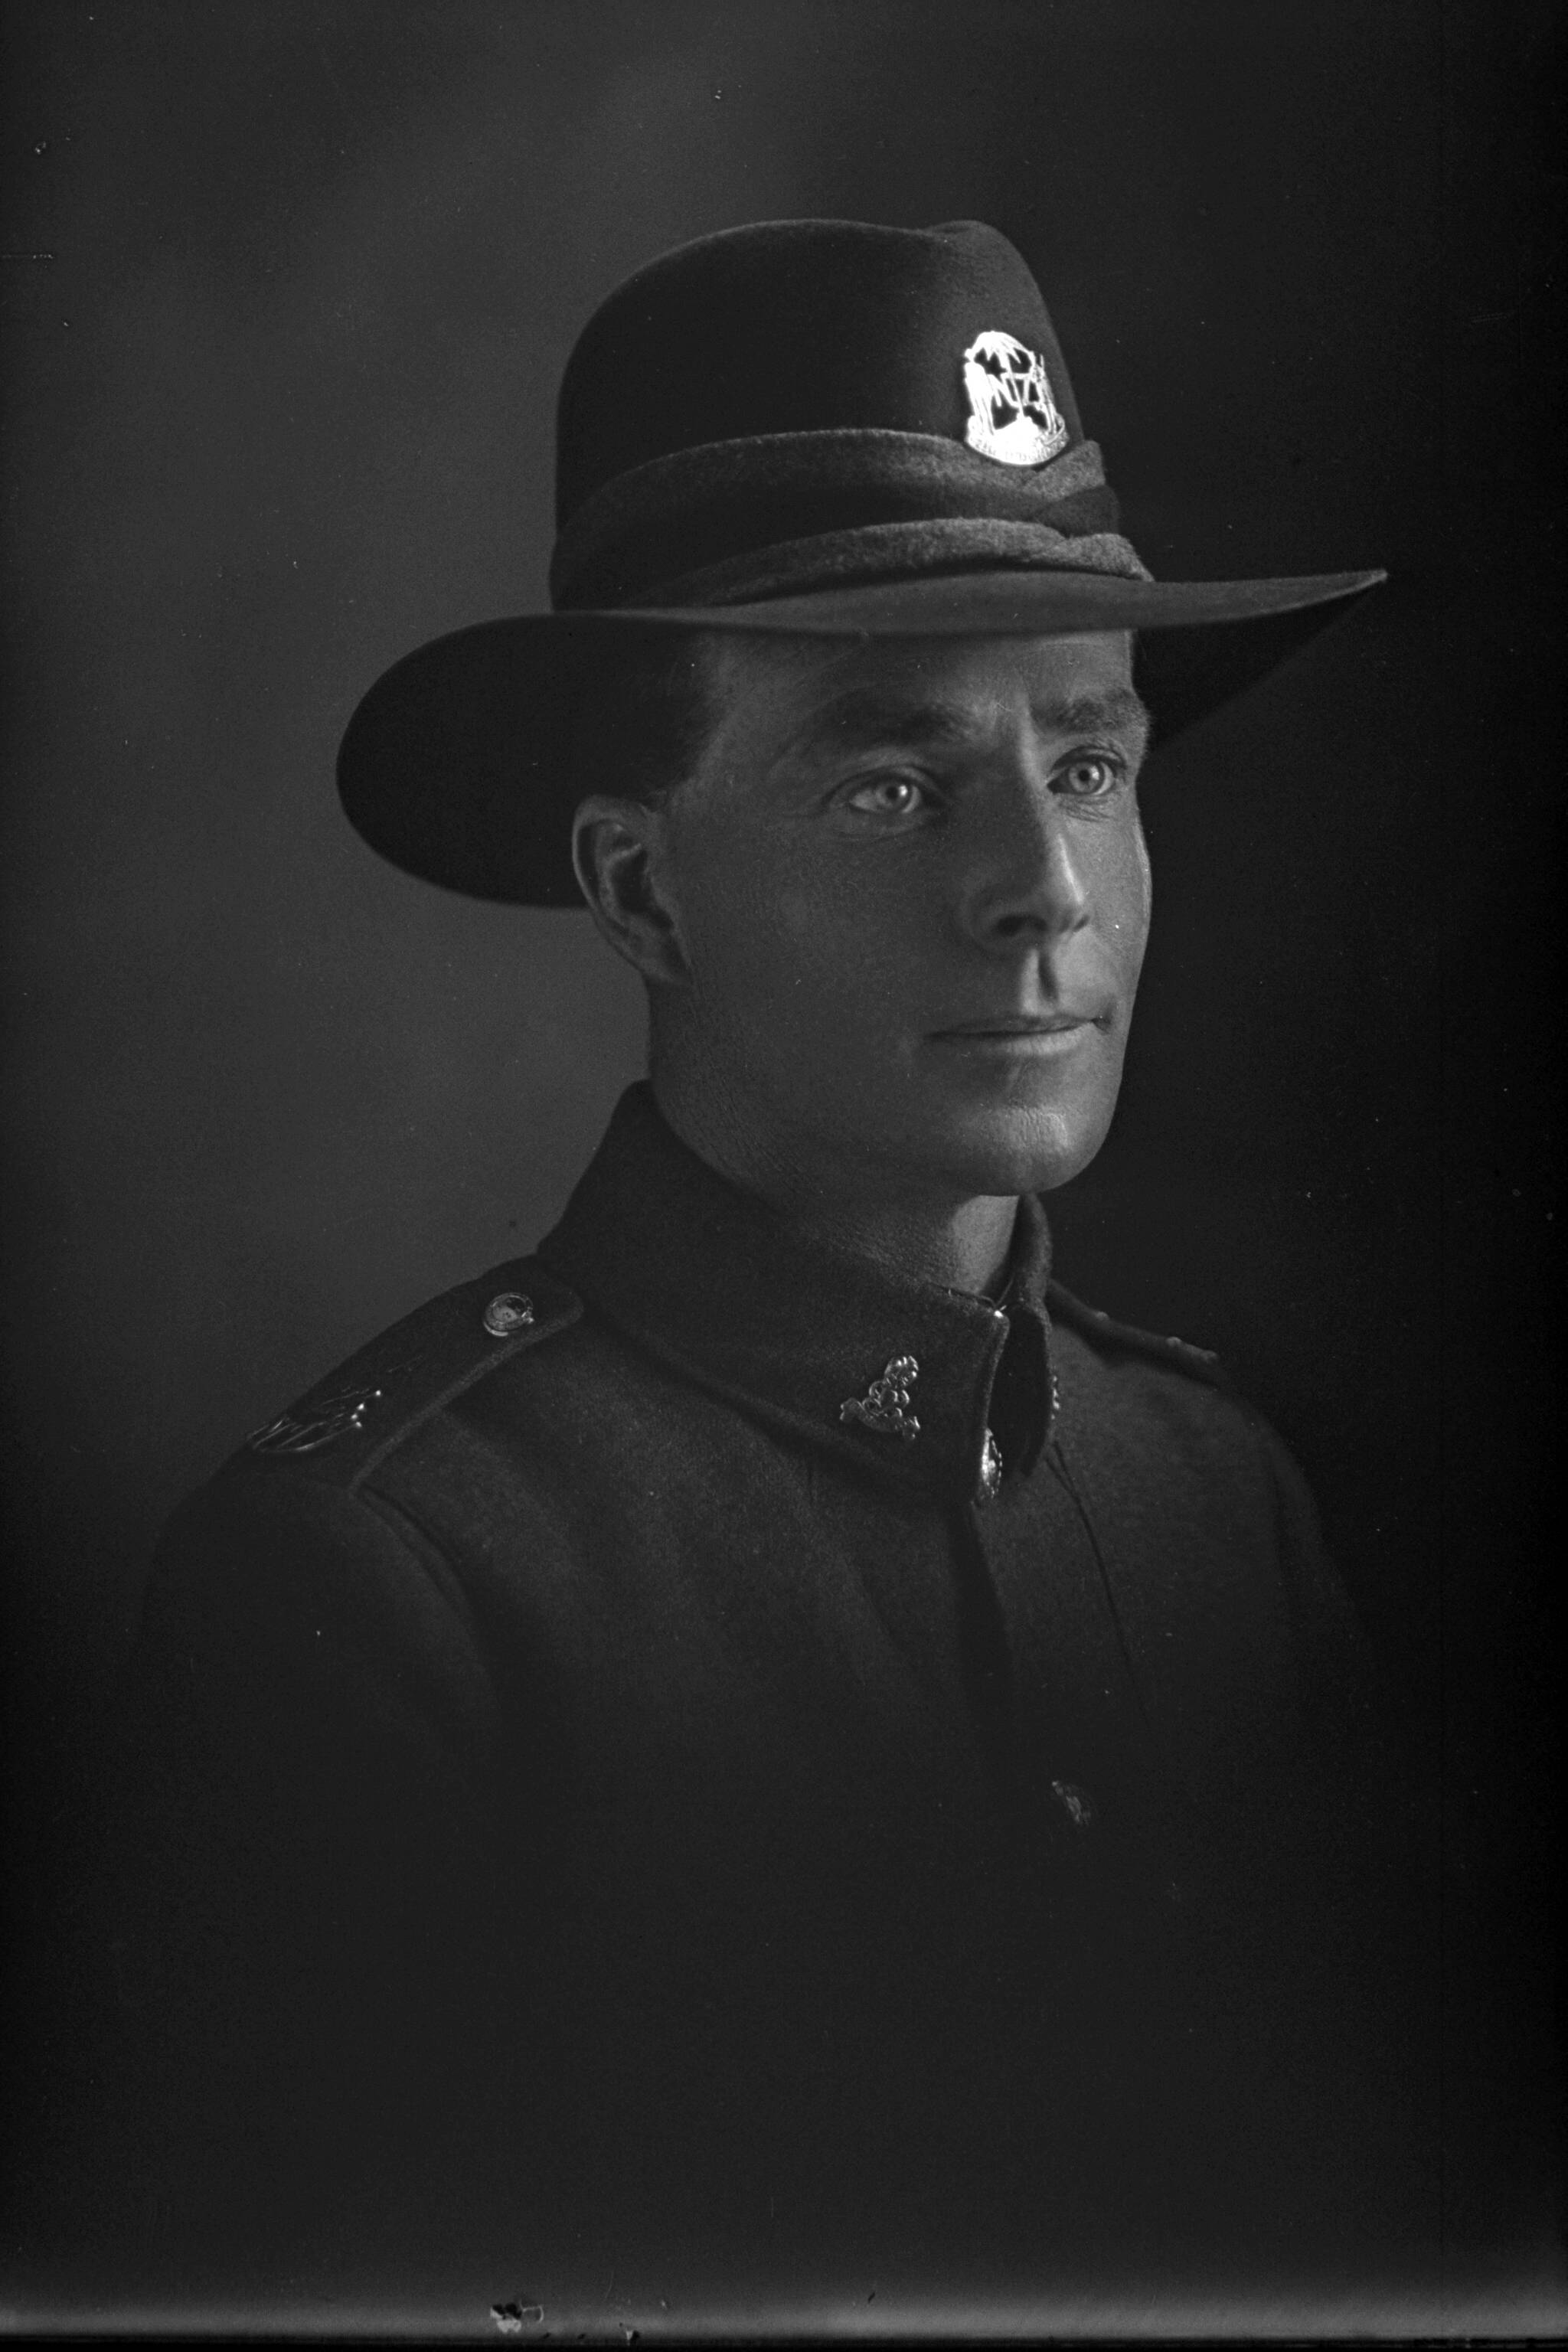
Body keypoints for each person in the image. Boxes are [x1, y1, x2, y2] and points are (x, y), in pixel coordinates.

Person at [94, 220, 1439, 2318]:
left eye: (1086, 761)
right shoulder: (384, 1594)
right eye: (893, 781)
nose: (1041, 889)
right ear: (640, 890)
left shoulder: (1216, 1497)